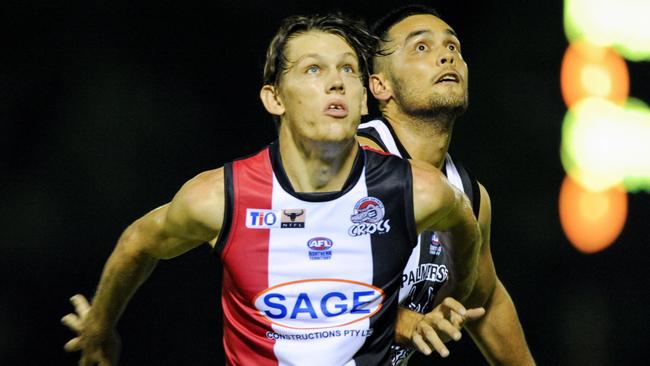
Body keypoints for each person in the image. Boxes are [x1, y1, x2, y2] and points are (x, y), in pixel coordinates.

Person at [61, 13, 482, 366]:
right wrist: (100, 323)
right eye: (314, 69)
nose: (336, 82)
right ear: (274, 98)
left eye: (348, 69)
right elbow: (139, 242)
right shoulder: (222, 197)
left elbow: (465, 230)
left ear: (363, 99)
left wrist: (442, 302)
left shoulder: (418, 190)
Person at [356, 5, 535, 365]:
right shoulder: (353, 162)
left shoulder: (469, 196)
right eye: (421, 47)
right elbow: (294, 269)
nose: (445, 56)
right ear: (380, 85)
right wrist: (400, 319)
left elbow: (486, 301)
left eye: (453, 47)